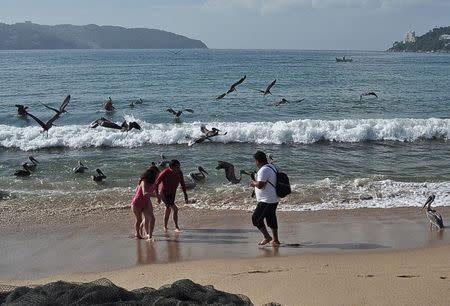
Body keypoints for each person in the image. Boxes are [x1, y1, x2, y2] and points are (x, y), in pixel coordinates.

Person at [250, 151, 281, 246]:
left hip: (266, 200)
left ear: (258, 161)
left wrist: (253, 183)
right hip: (273, 198)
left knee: (256, 219)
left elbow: (260, 185)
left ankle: (267, 237)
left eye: (255, 161)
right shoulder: (271, 167)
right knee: (271, 219)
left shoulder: (264, 170)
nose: (255, 163)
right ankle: (275, 240)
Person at [154, 159, 188, 232]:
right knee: (175, 209)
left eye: (179, 167)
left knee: (168, 209)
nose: (179, 169)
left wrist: (185, 195)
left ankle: (165, 226)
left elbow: (182, 184)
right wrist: (157, 196)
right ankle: (176, 227)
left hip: (172, 194)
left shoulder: (179, 173)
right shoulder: (165, 172)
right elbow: (156, 184)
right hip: (164, 194)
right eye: (177, 167)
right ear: (170, 167)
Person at [131, 165, 159, 240]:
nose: (158, 176)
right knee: (139, 220)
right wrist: (157, 196)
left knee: (151, 218)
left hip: (146, 201)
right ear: (152, 174)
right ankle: (137, 233)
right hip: (137, 202)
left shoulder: (154, 182)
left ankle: (149, 235)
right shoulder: (143, 181)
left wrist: (158, 196)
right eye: (157, 174)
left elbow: (155, 190)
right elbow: (145, 193)